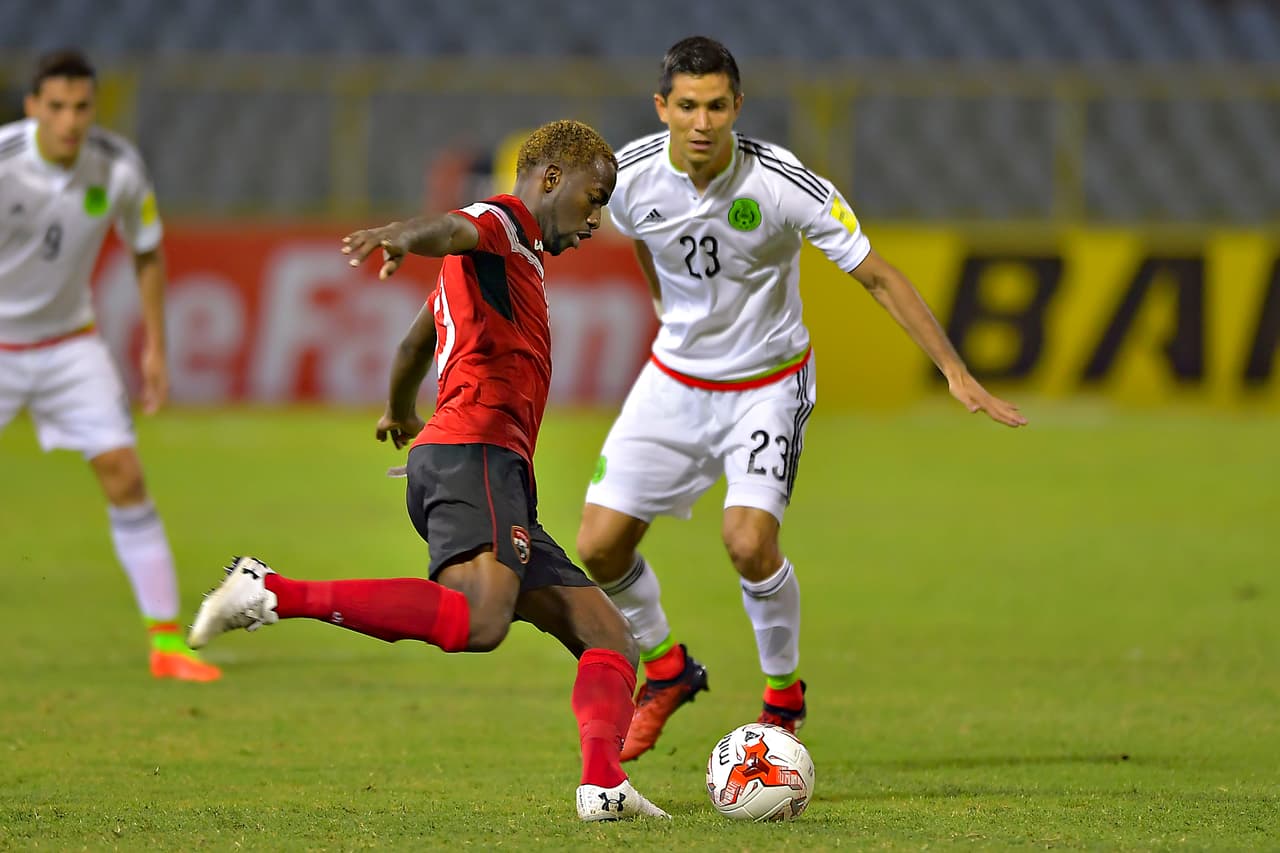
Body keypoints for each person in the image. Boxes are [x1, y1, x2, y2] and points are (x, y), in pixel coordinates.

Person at [187, 119, 669, 822]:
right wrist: (403, 236)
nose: (597, 219)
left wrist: (398, 410)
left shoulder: (503, 264)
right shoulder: (503, 223)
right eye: (594, 198)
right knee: (480, 620)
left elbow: (415, 344)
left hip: (483, 464)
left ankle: (604, 786)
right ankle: (271, 592)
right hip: (476, 453)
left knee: (609, 635)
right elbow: (453, 226)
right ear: (550, 179)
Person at [576, 36, 1028, 761]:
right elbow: (634, 238)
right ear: (661, 107)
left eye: (716, 106)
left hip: (766, 384)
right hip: (674, 380)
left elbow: (878, 275)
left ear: (737, 106)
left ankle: (782, 695)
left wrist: (954, 370)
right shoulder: (628, 177)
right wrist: (666, 308)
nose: (701, 122)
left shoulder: (782, 184)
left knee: (748, 541)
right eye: (687, 106)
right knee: (599, 545)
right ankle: (666, 669)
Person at [0, 49, 219, 682]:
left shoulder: (118, 166)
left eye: (82, 107)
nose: (70, 120)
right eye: (57, 107)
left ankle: (166, 644)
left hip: (69, 344)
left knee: (124, 474)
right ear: (33, 108)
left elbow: (146, 253)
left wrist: (156, 347)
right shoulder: (5, 163)